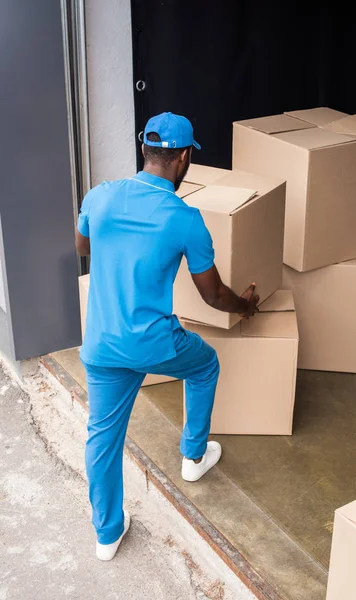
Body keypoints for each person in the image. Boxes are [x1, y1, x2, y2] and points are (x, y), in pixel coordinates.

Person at [75, 112, 259, 561]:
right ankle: (193, 458)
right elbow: (214, 296)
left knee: (102, 437)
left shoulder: (100, 196)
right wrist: (247, 305)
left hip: (101, 344)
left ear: (145, 150)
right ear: (183, 157)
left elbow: (84, 247)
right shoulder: (184, 218)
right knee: (205, 364)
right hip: (154, 343)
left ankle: (106, 534)